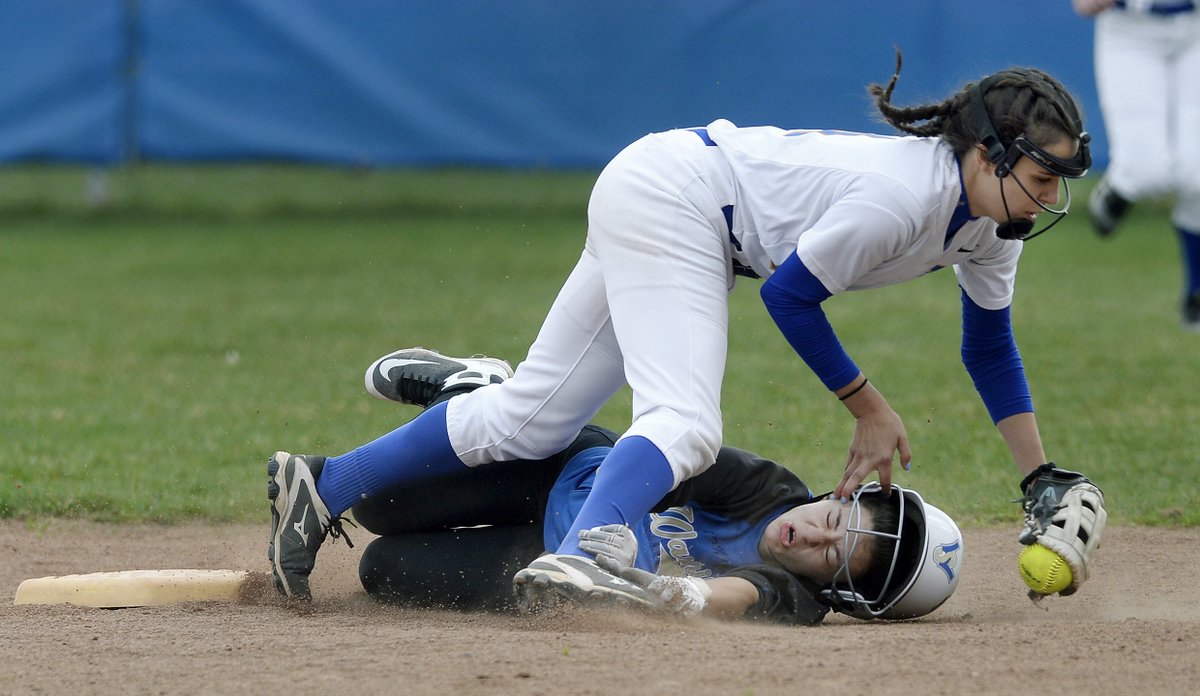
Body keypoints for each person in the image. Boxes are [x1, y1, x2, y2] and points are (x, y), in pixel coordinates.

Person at [265, 50, 1105, 606]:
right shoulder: (904, 197)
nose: (1048, 199)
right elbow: (790, 297)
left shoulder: (992, 229)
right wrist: (868, 407)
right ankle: (584, 556)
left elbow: (988, 348)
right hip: (683, 201)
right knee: (687, 424)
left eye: (1057, 183)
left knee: (532, 417)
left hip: (671, 195)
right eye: (1039, 176)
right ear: (988, 154)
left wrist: (1038, 476)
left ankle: (324, 485)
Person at [289, 349, 965, 623]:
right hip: (578, 474)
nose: (815, 536)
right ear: (839, 495)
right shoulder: (768, 488)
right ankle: (485, 396)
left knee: (381, 571)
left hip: (552, 560)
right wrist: (625, 544)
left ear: (839, 591)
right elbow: (648, 459)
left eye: (834, 556)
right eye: (836, 520)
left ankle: (490, 408)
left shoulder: (798, 599)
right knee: (375, 504)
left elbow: (731, 596)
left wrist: (676, 591)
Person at [1073, 0, 1200, 330]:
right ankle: (1121, 185)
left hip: (1195, 26)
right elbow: (1084, 5)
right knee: (1146, 171)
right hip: (1131, 29)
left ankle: (1196, 290)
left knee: (1198, 172)